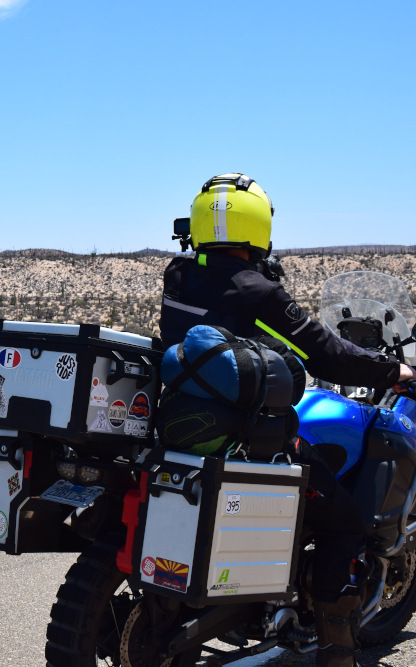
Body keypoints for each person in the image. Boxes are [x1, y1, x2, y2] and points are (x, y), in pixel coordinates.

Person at [158, 173, 415, 667]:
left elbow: (219, 335)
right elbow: (327, 355)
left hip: (182, 423)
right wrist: (393, 369)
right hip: (247, 435)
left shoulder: (178, 276)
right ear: (257, 225)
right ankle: (337, 653)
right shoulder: (258, 290)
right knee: (344, 523)